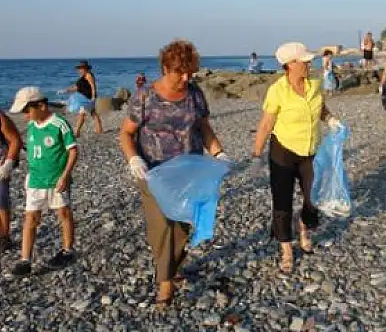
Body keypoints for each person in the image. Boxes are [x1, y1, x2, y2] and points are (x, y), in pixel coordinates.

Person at [119, 39, 231, 307]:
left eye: (190, 72)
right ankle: (165, 283)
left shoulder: (194, 94)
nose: (185, 77)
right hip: (152, 173)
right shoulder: (145, 97)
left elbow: (204, 127)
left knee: (181, 226)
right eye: (179, 72)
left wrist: (218, 153)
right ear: (164, 67)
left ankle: (173, 267)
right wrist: (133, 158)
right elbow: (126, 132)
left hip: (188, 173)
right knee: (161, 227)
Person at [252, 42, 342, 274]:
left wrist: (330, 119)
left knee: (313, 197)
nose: (308, 63)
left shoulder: (315, 85)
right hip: (283, 151)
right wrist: (256, 155)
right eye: (304, 61)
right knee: (282, 202)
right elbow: (266, 124)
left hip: (310, 151)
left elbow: (321, 108)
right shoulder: (277, 90)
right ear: (290, 65)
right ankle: (286, 250)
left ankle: (304, 227)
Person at [8, 87, 78, 276]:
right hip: (35, 180)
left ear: (41, 105)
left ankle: (68, 250)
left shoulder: (59, 124)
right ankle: (25, 259)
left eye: (27, 110)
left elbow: (72, 150)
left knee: (63, 213)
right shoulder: (31, 126)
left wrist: (65, 175)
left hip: (57, 180)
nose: (25, 115)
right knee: (30, 218)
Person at [60, 60, 103, 138]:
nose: (80, 70)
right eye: (79, 68)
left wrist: (93, 97)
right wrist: (66, 90)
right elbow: (76, 88)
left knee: (84, 113)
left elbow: (93, 86)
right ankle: (99, 129)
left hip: (87, 98)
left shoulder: (88, 75)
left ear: (86, 68)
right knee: (92, 113)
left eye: (81, 68)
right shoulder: (81, 77)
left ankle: (77, 132)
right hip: (82, 97)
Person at [0, 110, 21, 252]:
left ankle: (4, 237)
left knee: (1, 198)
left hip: (1, 161)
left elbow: (15, 140)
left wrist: (7, 164)